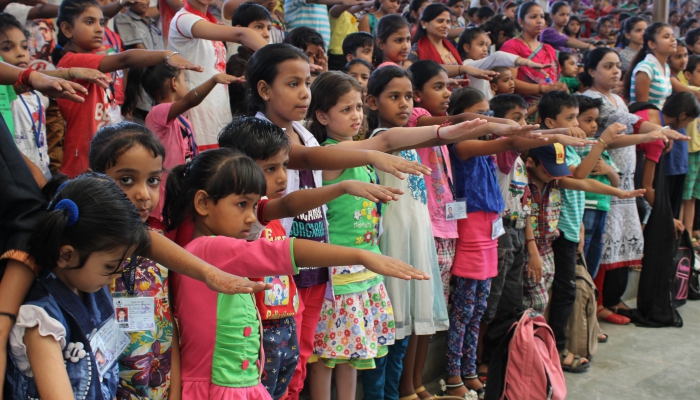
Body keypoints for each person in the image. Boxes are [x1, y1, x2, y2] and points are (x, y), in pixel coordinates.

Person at [161, 147, 427, 400]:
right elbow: (282, 252)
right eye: (241, 204)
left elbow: (286, 207)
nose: (252, 218)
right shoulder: (208, 249)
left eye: (254, 206)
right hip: (215, 389)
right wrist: (359, 255)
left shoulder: (217, 248)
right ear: (203, 203)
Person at [245, 43, 433, 400]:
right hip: (293, 261)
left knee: (310, 356)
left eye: (306, 82)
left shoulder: (305, 135)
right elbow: (289, 201)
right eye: (293, 83)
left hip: (320, 266)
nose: (303, 91)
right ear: (264, 89)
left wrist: (446, 133)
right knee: (295, 357)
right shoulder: (272, 140)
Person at [307, 68, 487, 400]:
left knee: (354, 353)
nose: (356, 115)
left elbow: (389, 142)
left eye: (358, 107)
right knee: (325, 358)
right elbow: (386, 140)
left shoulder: (358, 152)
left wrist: (450, 131)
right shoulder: (330, 154)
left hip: (365, 267)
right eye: (346, 109)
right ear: (322, 115)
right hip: (337, 272)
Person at [217, 116, 402, 399]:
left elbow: (290, 204)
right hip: (254, 334)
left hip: (284, 322)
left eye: (284, 166)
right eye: (270, 168)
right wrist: (360, 255)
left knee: (294, 377)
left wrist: (342, 188)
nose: (282, 177)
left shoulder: (263, 209)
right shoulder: (240, 218)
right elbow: (291, 219)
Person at [442, 87, 590, 396]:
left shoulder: (489, 150)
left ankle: (469, 367)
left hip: (490, 234)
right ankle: (453, 372)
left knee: (480, 307)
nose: (488, 119)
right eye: (481, 114)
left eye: (490, 113)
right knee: (463, 311)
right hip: (471, 234)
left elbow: (512, 142)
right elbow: (511, 138)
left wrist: (556, 134)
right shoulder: (463, 146)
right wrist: (557, 133)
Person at [5, 174, 152, 400]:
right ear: (66, 255)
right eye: (110, 265)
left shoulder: (91, 286)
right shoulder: (41, 322)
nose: (116, 275)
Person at [51, 0, 203, 177]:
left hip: (103, 153)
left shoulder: (98, 58)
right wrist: (165, 55)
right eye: (89, 22)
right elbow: (125, 60)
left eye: (101, 22)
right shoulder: (72, 61)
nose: (100, 29)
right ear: (67, 29)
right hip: (82, 158)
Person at [87, 122, 179, 399]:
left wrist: (175, 390)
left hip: (158, 387)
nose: (143, 194)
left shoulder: (161, 250)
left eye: (152, 180)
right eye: (126, 180)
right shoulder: (87, 252)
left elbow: (171, 322)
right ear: (95, 179)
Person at [124, 64, 239, 235]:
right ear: (174, 83)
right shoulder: (156, 113)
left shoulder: (181, 120)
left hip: (183, 197)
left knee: (187, 250)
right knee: (167, 255)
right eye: (184, 79)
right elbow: (188, 101)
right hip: (165, 202)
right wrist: (213, 80)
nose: (186, 84)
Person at [167, 0, 268, 150]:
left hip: (219, 109)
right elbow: (242, 34)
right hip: (197, 111)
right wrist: (285, 57)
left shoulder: (210, 21)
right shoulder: (184, 19)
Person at [573, 95, 620, 278]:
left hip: (602, 208)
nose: (594, 125)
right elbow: (579, 175)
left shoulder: (598, 147)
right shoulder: (578, 147)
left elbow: (616, 181)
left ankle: (588, 289)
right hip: (586, 207)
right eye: (588, 120)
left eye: (596, 121)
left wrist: (608, 170)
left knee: (594, 253)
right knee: (582, 254)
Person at [500, 1, 567, 122]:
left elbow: (555, 79)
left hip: (550, 109)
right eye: (533, 17)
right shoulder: (512, 46)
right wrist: (543, 89)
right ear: (521, 22)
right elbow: (509, 82)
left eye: (542, 16)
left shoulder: (549, 49)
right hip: (522, 110)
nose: (539, 20)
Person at [457, 26, 550, 100]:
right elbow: (497, 57)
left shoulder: (481, 67)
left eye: (486, 45)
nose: (485, 49)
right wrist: (528, 63)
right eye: (480, 44)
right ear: (467, 47)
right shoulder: (467, 65)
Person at [226, 2, 272, 116]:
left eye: (269, 28)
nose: (266, 34)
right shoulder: (237, 64)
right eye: (259, 27)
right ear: (239, 30)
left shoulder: (265, 61)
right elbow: (246, 107)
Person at [624, 22, 675, 108]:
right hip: (648, 118)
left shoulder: (665, 67)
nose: (673, 39)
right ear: (652, 44)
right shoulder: (645, 69)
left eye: (673, 36)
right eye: (666, 37)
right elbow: (642, 108)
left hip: (659, 117)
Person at [682, 55, 700, 243]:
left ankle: (689, 233)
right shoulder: (689, 93)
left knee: (693, 197)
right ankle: (681, 233)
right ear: (688, 74)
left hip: (699, 151)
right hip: (688, 151)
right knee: (684, 196)